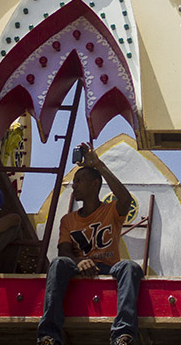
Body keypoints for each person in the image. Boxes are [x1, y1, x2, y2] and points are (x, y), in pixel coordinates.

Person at [38, 143, 142, 345]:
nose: (74, 185)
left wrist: (99, 165)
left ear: (95, 184)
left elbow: (125, 199)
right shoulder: (68, 220)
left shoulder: (111, 211)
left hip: (109, 268)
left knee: (130, 267)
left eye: (79, 181)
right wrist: (79, 261)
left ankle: (122, 335)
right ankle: (48, 336)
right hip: (77, 269)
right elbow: (64, 251)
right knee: (59, 263)